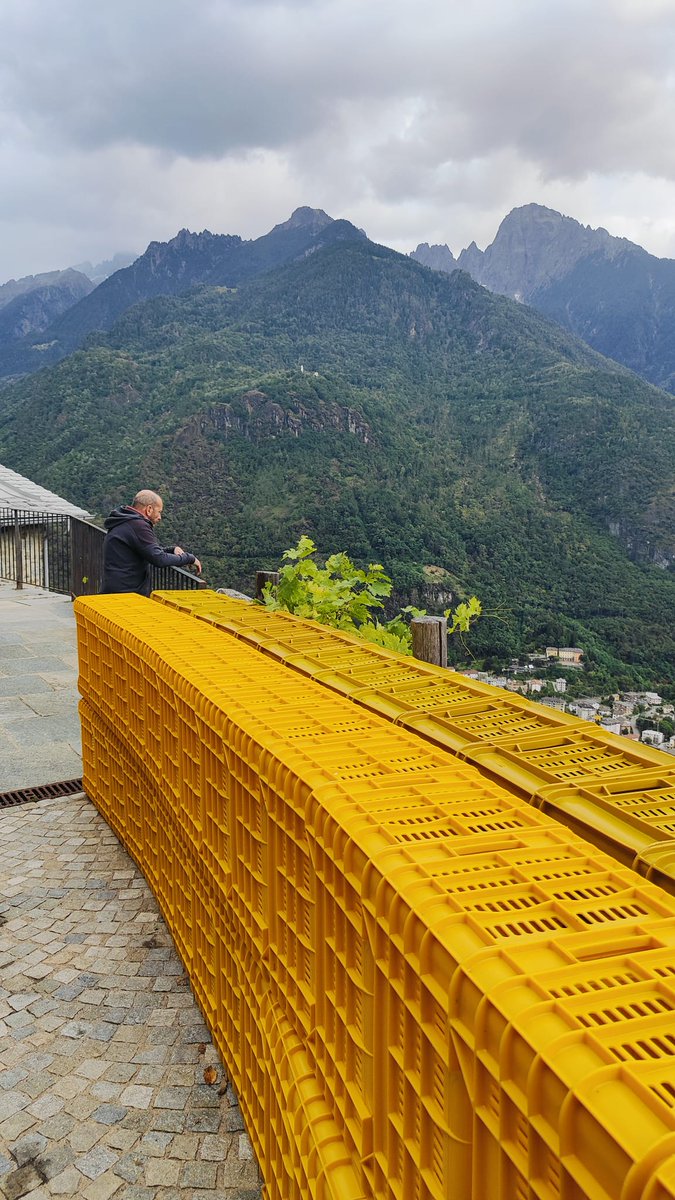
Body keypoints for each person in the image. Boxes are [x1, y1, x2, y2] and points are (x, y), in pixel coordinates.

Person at [101, 489, 202, 596]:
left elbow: (145, 551)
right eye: (159, 512)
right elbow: (159, 559)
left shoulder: (124, 520)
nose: (160, 517)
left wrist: (172, 550)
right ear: (149, 509)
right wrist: (189, 558)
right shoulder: (138, 525)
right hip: (126, 595)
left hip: (115, 589)